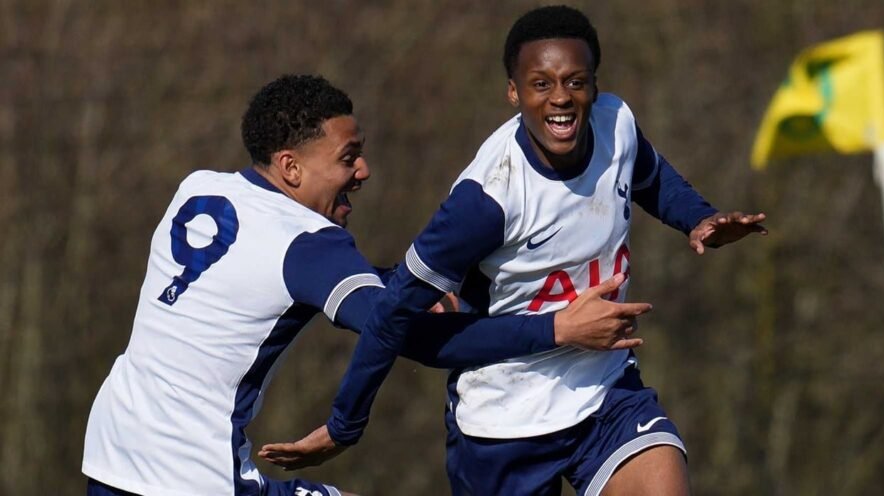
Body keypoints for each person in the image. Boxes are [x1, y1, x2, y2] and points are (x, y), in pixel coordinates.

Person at [264, 6, 768, 494]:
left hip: (605, 395)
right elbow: (395, 313)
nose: (561, 99)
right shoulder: (487, 199)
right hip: (503, 424)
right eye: (541, 84)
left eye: (576, 81)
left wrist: (698, 219)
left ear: (595, 85)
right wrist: (344, 423)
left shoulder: (618, 124)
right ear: (514, 92)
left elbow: (651, 178)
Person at [81, 74, 652, 496]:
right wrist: (557, 328)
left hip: (110, 454)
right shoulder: (311, 244)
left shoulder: (198, 188)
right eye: (348, 157)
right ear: (291, 167)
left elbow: (255, 272)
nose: (364, 171)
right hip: (192, 477)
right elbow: (410, 337)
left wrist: (388, 284)